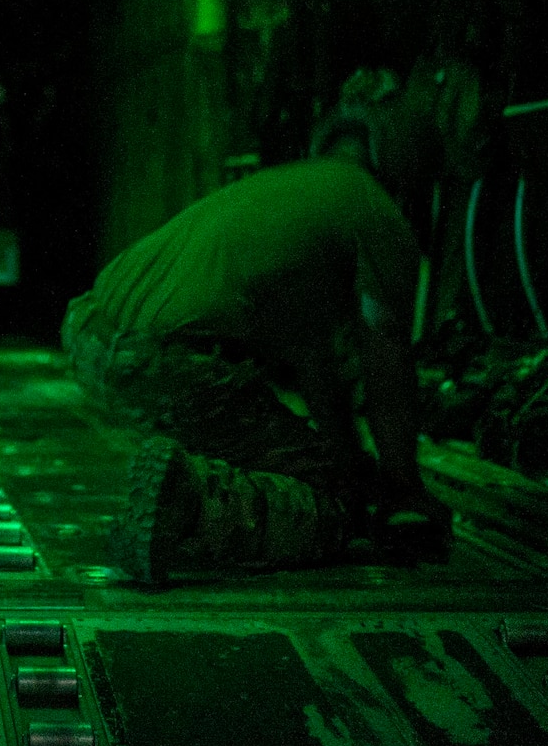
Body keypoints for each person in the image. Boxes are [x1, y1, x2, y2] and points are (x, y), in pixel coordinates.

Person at [64, 64, 483, 579]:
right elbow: (386, 367)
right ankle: (186, 507)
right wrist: (402, 489)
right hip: (164, 361)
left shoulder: (294, 190)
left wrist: (347, 462)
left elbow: (315, 365)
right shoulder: (377, 214)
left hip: (89, 333)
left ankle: (181, 482)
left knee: (307, 463)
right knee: (327, 502)